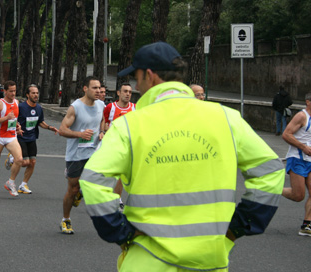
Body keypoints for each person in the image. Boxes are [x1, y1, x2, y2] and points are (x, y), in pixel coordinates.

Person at [79, 42, 285, 270]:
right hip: (209, 260)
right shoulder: (227, 118)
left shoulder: (129, 126)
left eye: (137, 78)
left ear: (150, 75)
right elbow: (271, 171)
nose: (136, 86)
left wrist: (120, 232)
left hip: (146, 258)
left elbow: (92, 180)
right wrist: (239, 226)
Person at [58, 76, 105, 234]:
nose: (98, 91)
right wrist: (80, 134)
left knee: (95, 182)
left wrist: (103, 132)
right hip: (76, 155)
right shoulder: (75, 107)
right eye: (94, 88)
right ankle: (66, 219)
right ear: (85, 89)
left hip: (94, 152)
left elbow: (103, 121)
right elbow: (62, 130)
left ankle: (82, 192)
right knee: (72, 189)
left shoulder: (101, 105)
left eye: (99, 88)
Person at [5, 84, 59, 194]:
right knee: (24, 162)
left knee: (32, 162)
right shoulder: (21, 107)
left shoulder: (39, 108)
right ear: (27, 95)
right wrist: (17, 128)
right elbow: (13, 119)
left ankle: (23, 185)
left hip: (32, 137)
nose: (36, 95)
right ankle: (12, 158)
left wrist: (49, 127)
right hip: (21, 137)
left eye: (37, 93)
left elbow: (40, 122)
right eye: (33, 93)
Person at [0, 80, 24, 197]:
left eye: (14, 91)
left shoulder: (16, 102)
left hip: (11, 136)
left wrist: (18, 126)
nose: (13, 93)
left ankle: (10, 182)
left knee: (19, 159)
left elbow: (14, 119)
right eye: (10, 91)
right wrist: (6, 117)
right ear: (5, 91)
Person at [281, 91, 311, 236]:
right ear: (308, 102)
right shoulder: (302, 116)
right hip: (298, 158)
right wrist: (304, 147)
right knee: (298, 195)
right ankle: (275, 189)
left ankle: (307, 225)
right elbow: (286, 134)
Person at [102, 82, 137, 210]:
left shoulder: (134, 108)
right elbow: (104, 122)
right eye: (125, 91)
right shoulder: (110, 107)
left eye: (130, 92)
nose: (128, 94)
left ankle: (117, 199)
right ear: (118, 93)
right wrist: (103, 132)